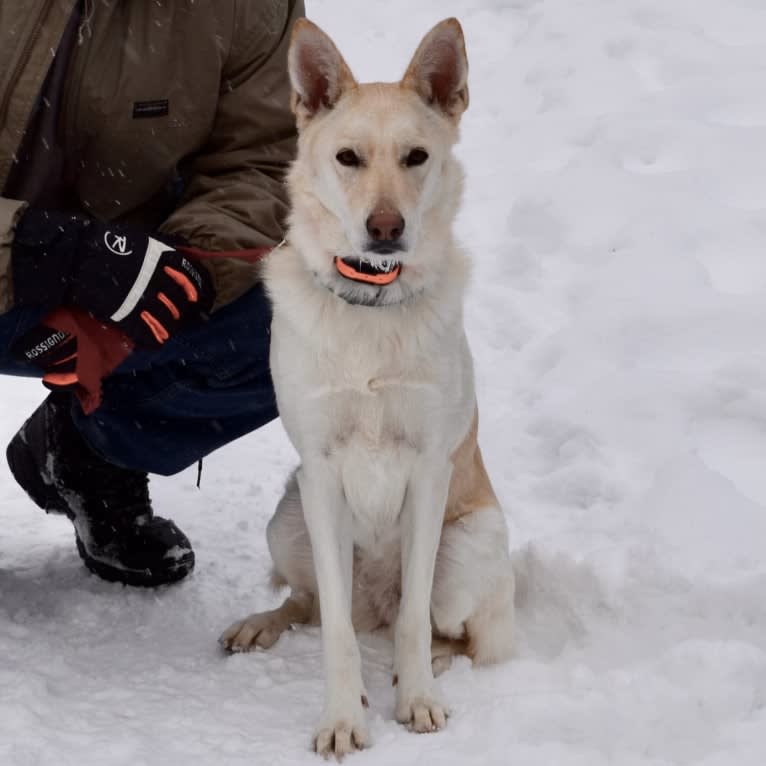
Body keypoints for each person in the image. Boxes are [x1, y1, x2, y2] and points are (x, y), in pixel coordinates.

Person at [0, 0, 304, 586]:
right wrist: (43, 249)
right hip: (39, 255)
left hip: (119, 281)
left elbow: (262, 161)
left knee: (307, 309)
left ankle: (89, 455)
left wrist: (188, 269)